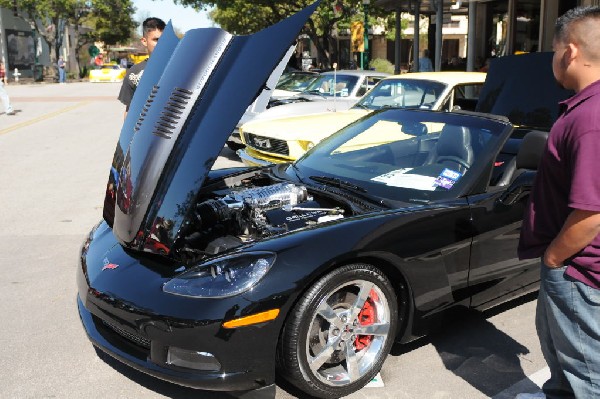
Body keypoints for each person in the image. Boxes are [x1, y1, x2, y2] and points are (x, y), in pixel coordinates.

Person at [517, 6, 600, 399]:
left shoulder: (591, 119)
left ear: (569, 52)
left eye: (552, 51)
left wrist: (553, 258)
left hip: (577, 267)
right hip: (574, 265)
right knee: (564, 360)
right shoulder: (587, 110)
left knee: (587, 373)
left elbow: (593, 211)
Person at [118, 17, 166, 118]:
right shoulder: (134, 73)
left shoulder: (179, 68)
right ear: (144, 41)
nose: (161, 43)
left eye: (164, 39)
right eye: (156, 39)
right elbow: (129, 110)